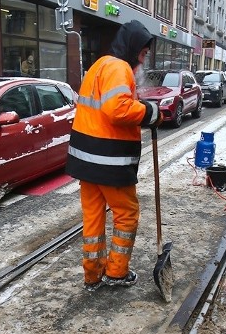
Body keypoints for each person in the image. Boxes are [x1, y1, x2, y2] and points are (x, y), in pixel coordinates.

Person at [66, 20, 163, 292]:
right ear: (133, 48)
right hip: (109, 161)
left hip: (85, 159)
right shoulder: (119, 68)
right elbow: (117, 109)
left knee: (94, 216)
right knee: (126, 215)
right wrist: (151, 113)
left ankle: (93, 274)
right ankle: (116, 272)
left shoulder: (99, 66)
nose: (142, 61)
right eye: (143, 54)